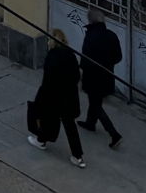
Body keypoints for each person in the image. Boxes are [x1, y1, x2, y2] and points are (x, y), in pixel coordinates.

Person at [28, 27, 87, 167]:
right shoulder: (70, 54)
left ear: (52, 41)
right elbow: (77, 75)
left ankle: (41, 141)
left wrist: (40, 97)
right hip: (69, 97)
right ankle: (78, 157)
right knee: (70, 126)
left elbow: (47, 80)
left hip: (53, 96)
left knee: (47, 119)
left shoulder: (52, 56)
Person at [79, 9, 125, 148]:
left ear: (90, 21)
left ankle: (114, 134)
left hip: (92, 77)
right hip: (107, 75)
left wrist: (82, 73)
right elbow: (118, 57)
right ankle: (90, 123)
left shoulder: (91, 36)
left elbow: (85, 59)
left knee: (95, 104)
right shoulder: (111, 36)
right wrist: (108, 63)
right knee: (95, 101)